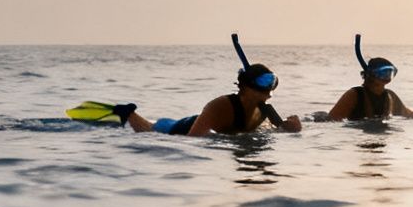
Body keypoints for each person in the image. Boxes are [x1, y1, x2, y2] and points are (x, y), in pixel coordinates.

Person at [122, 63, 304, 135]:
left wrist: (292, 127)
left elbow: (281, 129)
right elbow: (193, 138)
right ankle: (128, 113)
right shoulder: (220, 105)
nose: (269, 89)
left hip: (209, 126)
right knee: (152, 129)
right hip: (182, 127)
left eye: (272, 82)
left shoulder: (265, 110)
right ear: (246, 87)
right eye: (264, 82)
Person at [326, 56, 413, 120]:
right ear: (371, 74)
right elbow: (331, 120)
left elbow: (408, 114)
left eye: (390, 72)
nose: (387, 76)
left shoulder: (390, 96)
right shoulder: (355, 94)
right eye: (383, 72)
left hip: (382, 137)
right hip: (358, 136)